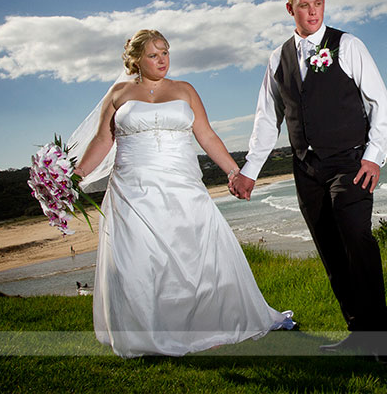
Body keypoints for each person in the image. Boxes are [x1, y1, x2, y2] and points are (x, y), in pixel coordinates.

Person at [72, 29, 294, 358]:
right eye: (154, 55)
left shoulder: (185, 90)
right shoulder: (118, 94)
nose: (162, 60)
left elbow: (206, 135)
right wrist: (74, 177)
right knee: (140, 261)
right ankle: (149, 334)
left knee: (195, 256)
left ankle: (209, 325)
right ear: (136, 60)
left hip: (182, 186)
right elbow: (103, 142)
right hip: (132, 189)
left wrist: (235, 172)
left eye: (166, 52)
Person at [229, 0, 387, 362]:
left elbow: (380, 104)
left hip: (351, 163)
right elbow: (265, 119)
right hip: (306, 169)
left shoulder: (348, 45)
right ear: (290, 9)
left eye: (318, 3)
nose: (312, 11)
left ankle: (380, 339)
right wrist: (250, 170)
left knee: (358, 241)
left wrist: (374, 156)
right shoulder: (278, 59)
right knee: (331, 251)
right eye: (304, 5)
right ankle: (357, 331)